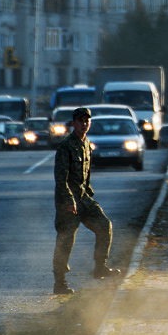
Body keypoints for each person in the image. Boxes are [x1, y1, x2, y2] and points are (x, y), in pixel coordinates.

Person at [52, 107, 120, 294]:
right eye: (80, 121)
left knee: (104, 225)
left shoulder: (86, 143)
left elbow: (86, 173)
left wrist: (88, 190)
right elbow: (60, 178)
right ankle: (60, 283)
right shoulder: (66, 146)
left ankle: (100, 267)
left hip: (83, 198)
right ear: (73, 123)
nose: (84, 124)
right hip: (67, 201)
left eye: (86, 121)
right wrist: (69, 200)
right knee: (65, 240)